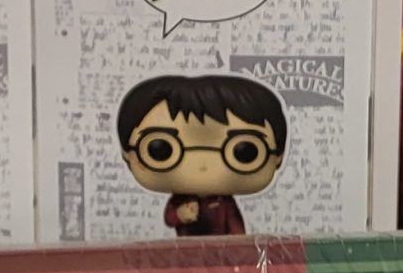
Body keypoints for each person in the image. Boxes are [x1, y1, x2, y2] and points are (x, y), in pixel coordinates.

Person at [116, 72, 287, 237]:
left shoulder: (223, 201)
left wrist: (239, 243)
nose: (202, 165)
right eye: (161, 148)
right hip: (187, 249)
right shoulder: (181, 200)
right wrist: (180, 214)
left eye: (244, 151)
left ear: (278, 156)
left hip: (221, 248)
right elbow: (170, 217)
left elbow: (234, 223)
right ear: (126, 153)